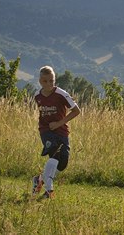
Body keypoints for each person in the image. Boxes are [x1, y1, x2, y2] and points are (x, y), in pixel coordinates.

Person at [32, 66, 81, 199]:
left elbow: (77, 111)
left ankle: (39, 180)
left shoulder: (61, 94)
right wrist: (48, 127)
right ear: (40, 81)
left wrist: (59, 123)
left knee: (63, 162)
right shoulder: (37, 96)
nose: (48, 84)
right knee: (55, 152)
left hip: (61, 130)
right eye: (45, 81)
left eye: (51, 81)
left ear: (55, 80)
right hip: (45, 131)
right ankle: (49, 190)